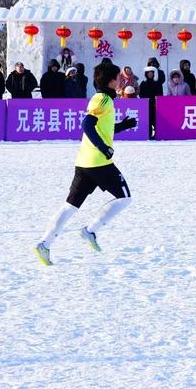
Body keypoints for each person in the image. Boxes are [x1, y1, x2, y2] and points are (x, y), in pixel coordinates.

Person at [33, 62, 138, 266]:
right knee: (124, 198)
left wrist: (123, 126)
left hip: (84, 162)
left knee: (70, 206)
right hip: (99, 163)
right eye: (118, 77)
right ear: (110, 81)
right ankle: (90, 231)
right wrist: (103, 148)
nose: (121, 80)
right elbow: (87, 125)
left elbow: (101, 128)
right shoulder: (104, 100)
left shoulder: (102, 99)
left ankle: (44, 244)